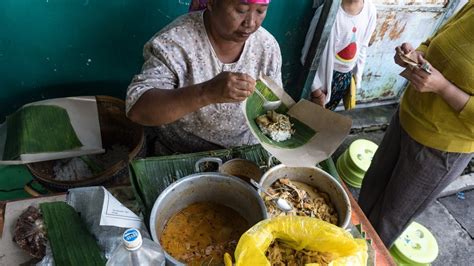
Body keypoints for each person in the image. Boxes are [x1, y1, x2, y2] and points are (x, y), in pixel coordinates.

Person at [358, 1, 473, 247]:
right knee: (368, 193)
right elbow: (436, 41)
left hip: (440, 148)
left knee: (385, 222)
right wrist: (415, 55)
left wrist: (443, 88)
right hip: (407, 117)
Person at [126, 0, 282, 155]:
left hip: (245, 153)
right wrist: (206, 92)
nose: (251, 23)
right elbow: (138, 110)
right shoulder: (175, 43)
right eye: (241, 10)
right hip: (182, 154)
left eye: (260, 11)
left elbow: (273, 108)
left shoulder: (266, 46)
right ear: (212, 3)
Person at [302, 0, 377, 110]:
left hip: (345, 79)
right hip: (321, 81)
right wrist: (316, 91)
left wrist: (356, 79)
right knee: (308, 116)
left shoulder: (370, 11)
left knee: (326, 117)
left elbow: (362, 47)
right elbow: (307, 56)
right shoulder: (327, 13)